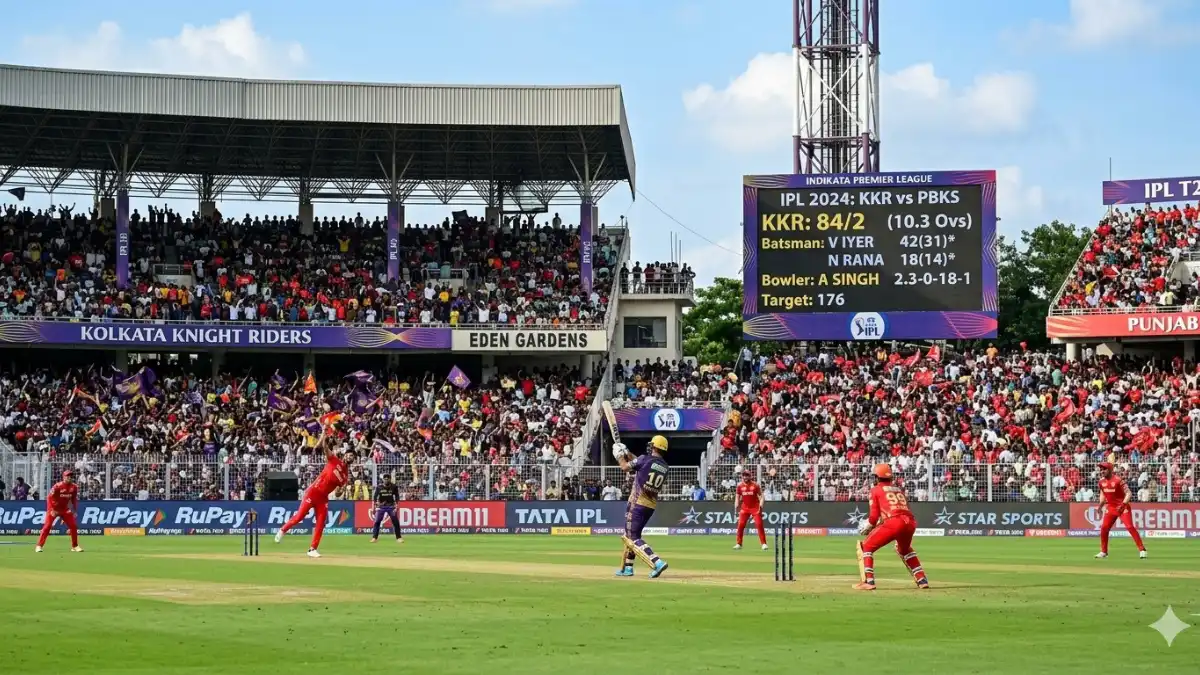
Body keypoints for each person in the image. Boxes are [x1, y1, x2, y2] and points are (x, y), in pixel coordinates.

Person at [275, 431, 355, 558]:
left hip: (323, 498)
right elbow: (325, 448)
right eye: (349, 455)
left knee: (321, 523)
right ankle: (283, 530)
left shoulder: (345, 477)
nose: (350, 457)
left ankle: (312, 549)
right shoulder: (334, 460)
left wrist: (342, 490)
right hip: (313, 492)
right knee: (299, 517)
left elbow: (337, 494)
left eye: (352, 457)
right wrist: (324, 435)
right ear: (345, 455)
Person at [854, 463, 929, 591]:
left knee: (865, 547)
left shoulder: (875, 490)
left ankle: (868, 581)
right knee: (904, 550)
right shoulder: (898, 489)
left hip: (893, 522)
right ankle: (922, 579)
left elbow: (874, 517)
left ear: (876, 477)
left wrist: (869, 526)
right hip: (910, 522)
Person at [613, 435, 670, 579]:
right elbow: (640, 462)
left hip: (637, 503)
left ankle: (657, 562)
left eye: (651, 445)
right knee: (632, 535)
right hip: (650, 506)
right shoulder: (664, 466)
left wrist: (619, 456)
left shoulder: (645, 459)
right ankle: (628, 568)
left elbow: (625, 467)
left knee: (632, 538)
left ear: (654, 447)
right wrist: (627, 452)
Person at [1094, 461, 1147, 559]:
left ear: (1110, 470)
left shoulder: (1118, 480)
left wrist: (1123, 504)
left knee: (1130, 527)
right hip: (1111, 507)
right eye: (1101, 469)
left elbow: (1129, 493)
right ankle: (1104, 552)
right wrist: (1100, 507)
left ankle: (1142, 550)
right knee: (1104, 528)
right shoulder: (1101, 482)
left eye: (1104, 469)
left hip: (1122, 507)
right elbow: (1102, 496)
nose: (1102, 471)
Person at [36, 470, 82, 553]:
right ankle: (39, 546)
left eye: (70, 476)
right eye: (67, 476)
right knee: (47, 526)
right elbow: (49, 498)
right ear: (63, 477)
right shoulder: (57, 486)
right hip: (54, 509)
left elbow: (73, 500)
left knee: (73, 526)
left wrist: (73, 510)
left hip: (65, 509)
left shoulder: (74, 487)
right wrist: (52, 509)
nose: (69, 478)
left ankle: (75, 546)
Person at [733, 470, 767, 550]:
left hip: (755, 508)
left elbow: (762, 497)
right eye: (744, 475)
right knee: (740, 525)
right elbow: (737, 497)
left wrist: (761, 506)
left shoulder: (755, 485)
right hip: (745, 508)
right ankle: (739, 544)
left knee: (759, 524)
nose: (745, 477)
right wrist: (736, 505)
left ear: (750, 476)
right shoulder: (740, 486)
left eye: (747, 475)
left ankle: (764, 544)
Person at [370, 474, 403, 544]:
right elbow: (375, 497)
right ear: (383, 480)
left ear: (390, 479)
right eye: (385, 479)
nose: (386, 480)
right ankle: (374, 538)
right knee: (377, 522)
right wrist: (374, 507)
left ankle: (399, 538)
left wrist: (397, 504)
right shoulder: (379, 487)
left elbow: (397, 496)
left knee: (395, 522)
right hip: (381, 506)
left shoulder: (394, 486)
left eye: (388, 479)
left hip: (391, 506)